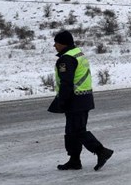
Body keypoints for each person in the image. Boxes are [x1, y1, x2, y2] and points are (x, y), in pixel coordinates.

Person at [48, 30, 113, 171]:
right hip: (84, 97)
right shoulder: (78, 53)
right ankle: (74, 160)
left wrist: (63, 101)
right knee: (71, 131)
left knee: (77, 130)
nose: (54, 46)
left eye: (56, 43)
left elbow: (66, 82)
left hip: (75, 99)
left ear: (63, 44)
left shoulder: (66, 59)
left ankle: (101, 151)